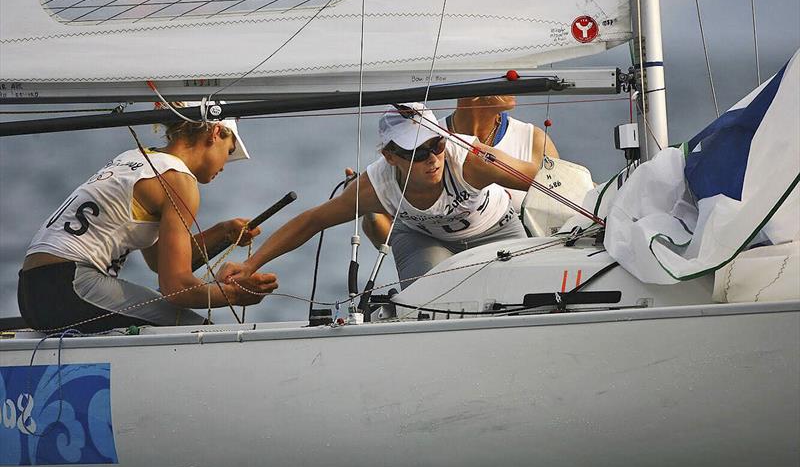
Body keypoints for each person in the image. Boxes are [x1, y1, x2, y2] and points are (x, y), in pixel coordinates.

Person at [218, 102, 543, 290]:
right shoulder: (377, 185)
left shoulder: (470, 158)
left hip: (495, 229)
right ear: (391, 157)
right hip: (421, 239)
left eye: (437, 145)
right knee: (428, 297)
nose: (432, 158)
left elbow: (545, 180)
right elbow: (312, 221)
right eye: (417, 152)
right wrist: (251, 264)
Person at [17, 102, 278, 332]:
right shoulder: (180, 180)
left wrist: (223, 233)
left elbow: (157, 261)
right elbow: (176, 287)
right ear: (216, 133)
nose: (225, 164)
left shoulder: (138, 158)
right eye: (229, 150)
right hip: (71, 286)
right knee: (199, 331)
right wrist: (235, 294)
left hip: (31, 291)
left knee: (164, 318)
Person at [360, 95, 559, 247]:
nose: (517, 81)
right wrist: (368, 207)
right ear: (472, 92)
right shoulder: (423, 139)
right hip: (450, 269)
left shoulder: (534, 140)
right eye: (504, 74)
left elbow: (564, 199)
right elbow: (388, 242)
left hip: (523, 256)